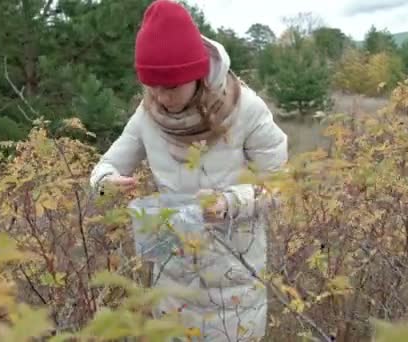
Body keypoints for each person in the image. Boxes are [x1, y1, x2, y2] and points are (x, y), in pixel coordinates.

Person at [89, 0, 288, 340]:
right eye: (152, 85)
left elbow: (279, 185)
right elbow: (104, 168)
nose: (161, 97)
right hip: (172, 282)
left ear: (195, 75)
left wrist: (229, 203)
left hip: (234, 282)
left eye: (170, 86)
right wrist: (106, 183)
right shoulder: (147, 115)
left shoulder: (246, 109)